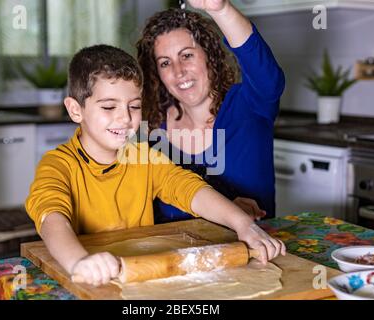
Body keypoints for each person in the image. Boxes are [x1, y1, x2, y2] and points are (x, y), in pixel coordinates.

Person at [25, 44, 285, 287]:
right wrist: (79, 262)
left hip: (141, 277)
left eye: (134, 106)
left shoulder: (143, 157)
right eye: (108, 106)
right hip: (89, 280)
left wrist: (242, 224)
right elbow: (52, 218)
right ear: (75, 110)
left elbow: (187, 188)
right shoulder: (58, 165)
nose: (125, 118)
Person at [137, 0, 285, 223]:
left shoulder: (248, 106)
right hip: (171, 255)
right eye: (165, 63)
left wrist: (220, 8)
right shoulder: (149, 127)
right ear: (157, 73)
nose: (179, 71)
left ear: (209, 56)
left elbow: (268, 76)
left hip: (252, 254)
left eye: (187, 55)